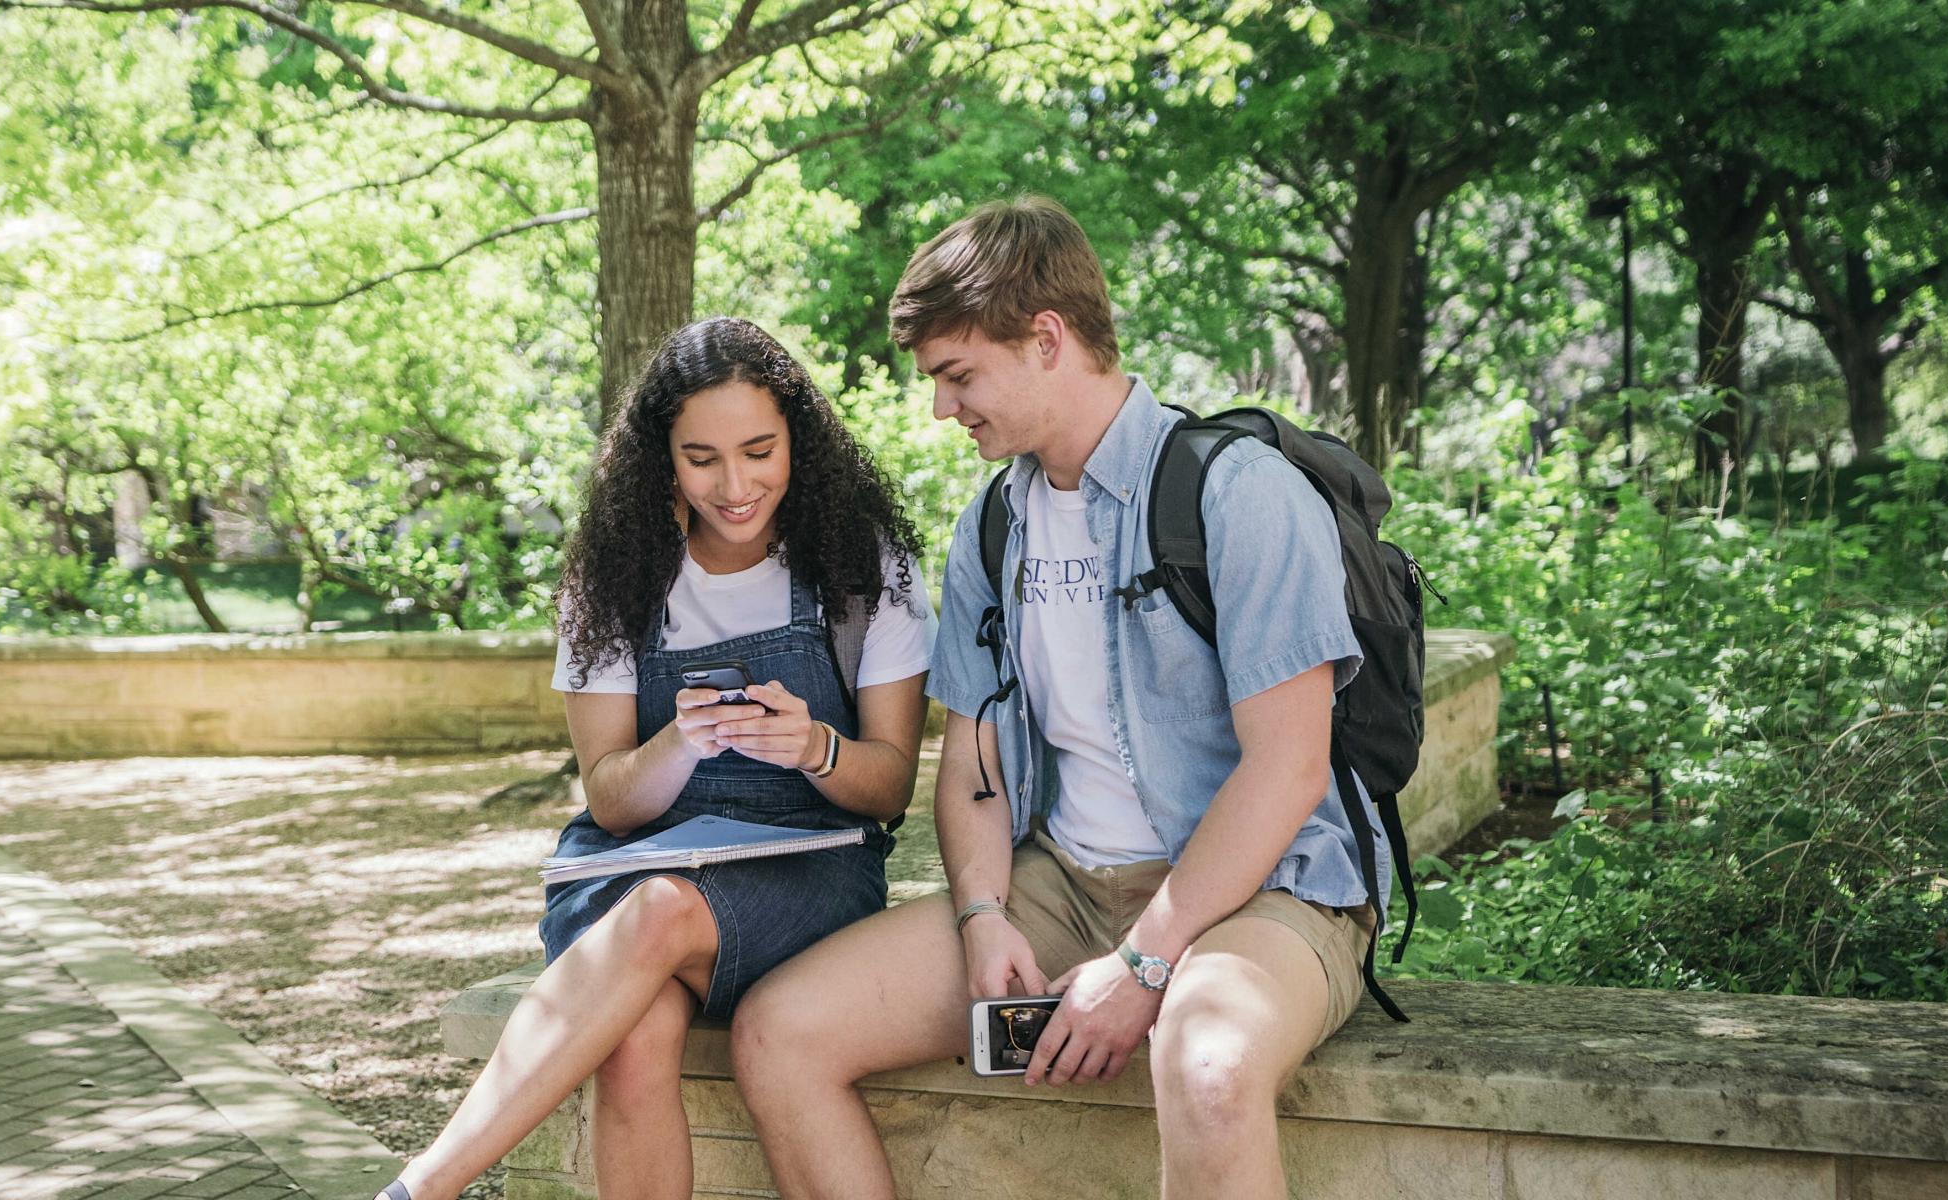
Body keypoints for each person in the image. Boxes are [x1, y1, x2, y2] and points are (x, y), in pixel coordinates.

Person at [729, 197, 1385, 1200]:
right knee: (780, 1033)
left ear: (1046, 339)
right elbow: (978, 761)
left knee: (1206, 1069)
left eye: (958, 376)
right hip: (1067, 883)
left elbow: (1289, 767)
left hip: (1266, 894)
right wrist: (985, 916)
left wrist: (1146, 964)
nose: (943, 409)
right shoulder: (993, 523)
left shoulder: (1235, 493)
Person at [380, 317, 932, 1200]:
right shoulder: (615, 576)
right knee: (634, 1037)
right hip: (640, 853)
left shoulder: (864, 565)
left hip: (809, 865)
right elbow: (610, 802)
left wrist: (814, 747)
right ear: (662, 458)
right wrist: (679, 743)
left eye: (759, 450)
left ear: (800, 439)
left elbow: (890, 784)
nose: (736, 484)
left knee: (655, 917)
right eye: (702, 458)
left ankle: (424, 1187)